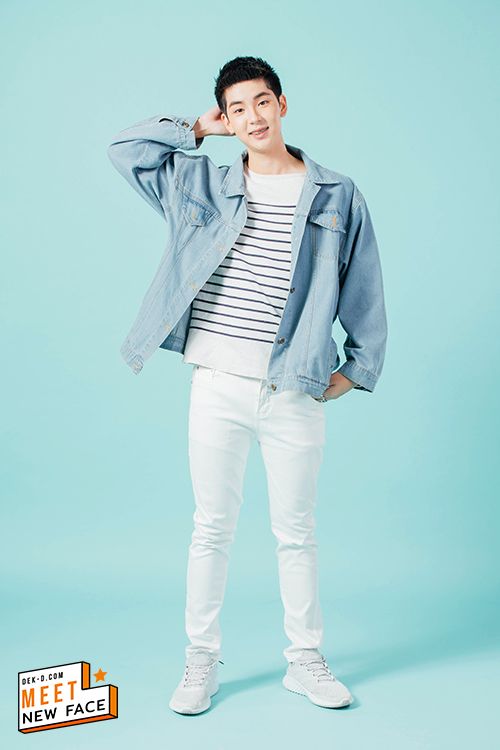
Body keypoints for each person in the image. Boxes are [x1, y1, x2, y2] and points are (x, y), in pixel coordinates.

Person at [107, 56, 388, 715]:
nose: (253, 117)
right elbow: (125, 149)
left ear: (282, 105)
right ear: (228, 119)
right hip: (216, 384)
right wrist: (195, 130)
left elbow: (365, 284)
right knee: (211, 528)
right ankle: (200, 662)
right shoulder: (199, 183)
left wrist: (356, 369)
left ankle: (305, 662)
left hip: (291, 388)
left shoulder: (336, 194)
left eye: (262, 102)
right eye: (238, 109)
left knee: (297, 532)